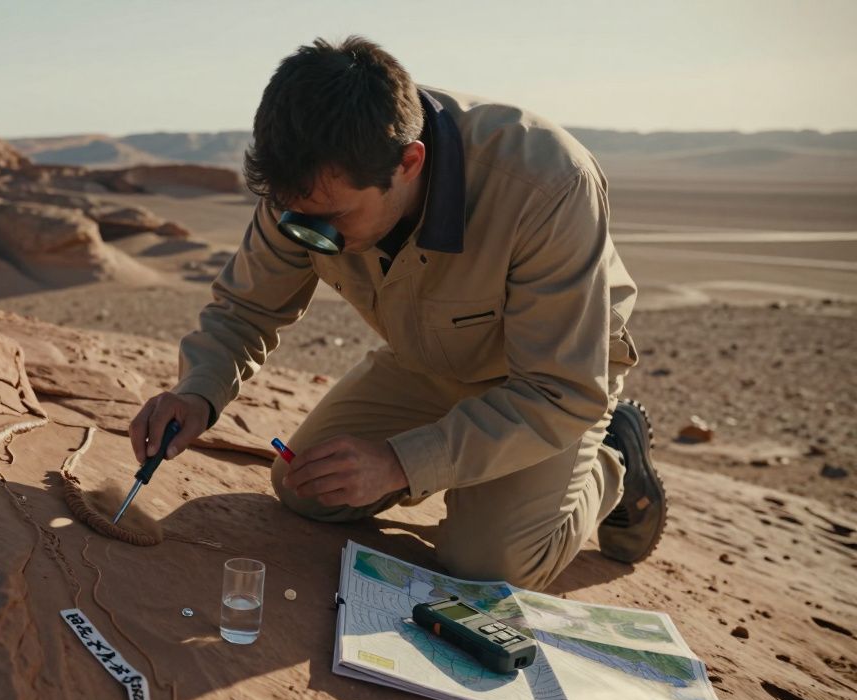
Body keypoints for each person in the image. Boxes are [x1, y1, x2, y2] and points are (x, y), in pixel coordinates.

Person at [128, 36, 665, 590]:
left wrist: (401, 462)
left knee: (488, 564)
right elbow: (245, 308)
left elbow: (558, 389)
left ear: (410, 163)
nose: (312, 233)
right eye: (295, 216)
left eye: (332, 219)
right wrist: (198, 392)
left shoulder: (547, 185)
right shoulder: (308, 185)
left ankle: (608, 456)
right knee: (305, 485)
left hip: (541, 385)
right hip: (426, 362)